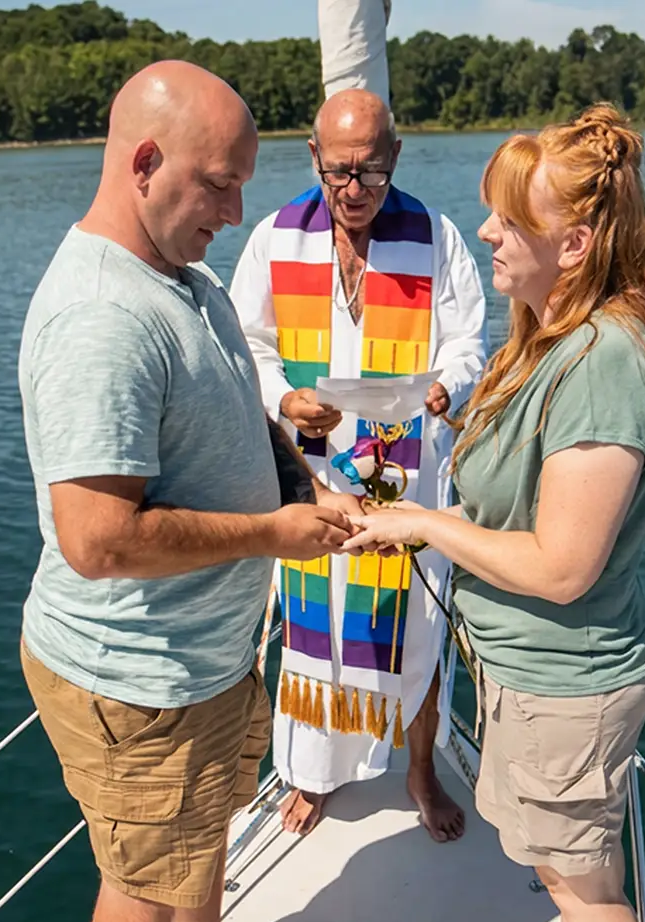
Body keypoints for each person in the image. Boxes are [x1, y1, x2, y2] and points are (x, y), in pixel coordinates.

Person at [17, 61, 358, 922]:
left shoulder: (186, 280)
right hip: (134, 674)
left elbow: (234, 414)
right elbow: (97, 538)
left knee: (199, 822)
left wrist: (300, 481)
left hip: (205, 652)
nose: (237, 211)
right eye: (218, 185)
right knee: (139, 873)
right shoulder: (101, 318)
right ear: (144, 162)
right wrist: (270, 534)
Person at [344, 104, 645, 922]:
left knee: (587, 886)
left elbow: (562, 562)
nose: (487, 234)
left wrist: (419, 519)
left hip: (568, 679)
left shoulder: (602, 363)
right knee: (553, 856)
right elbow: (519, 459)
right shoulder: (552, 336)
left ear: (575, 243)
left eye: (508, 222)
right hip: (521, 671)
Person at [229, 88, 488, 840]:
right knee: (314, 640)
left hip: (405, 480)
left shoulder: (433, 236)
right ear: (313, 157)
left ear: (396, 158)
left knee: (415, 631)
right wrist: (282, 398)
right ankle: (313, 775)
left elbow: (467, 337)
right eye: (339, 172)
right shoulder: (276, 238)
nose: (353, 191)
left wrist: (451, 384)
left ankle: (418, 771)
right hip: (315, 478)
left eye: (370, 174)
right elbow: (249, 345)